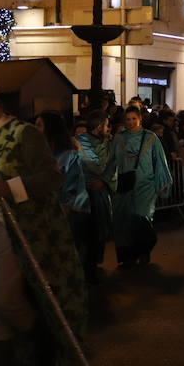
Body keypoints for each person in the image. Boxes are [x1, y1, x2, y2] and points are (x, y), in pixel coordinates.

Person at [0, 69, 87, 364]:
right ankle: (4, 349)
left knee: (5, 298)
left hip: (18, 229)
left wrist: (9, 187)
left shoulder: (22, 133)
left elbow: (50, 177)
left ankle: (41, 338)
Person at [110, 105, 172, 266]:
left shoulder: (151, 138)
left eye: (134, 119)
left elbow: (159, 161)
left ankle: (144, 251)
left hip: (146, 185)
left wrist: (162, 182)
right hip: (124, 184)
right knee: (124, 219)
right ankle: (127, 257)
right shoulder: (119, 138)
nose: (131, 122)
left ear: (140, 119)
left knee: (141, 217)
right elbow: (111, 162)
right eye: (128, 119)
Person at [37, 112, 93, 284]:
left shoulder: (68, 154)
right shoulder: (43, 152)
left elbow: (72, 182)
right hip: (54, 208)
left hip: (73, 208)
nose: (35, 129)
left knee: (69, 249)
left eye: (39, 125)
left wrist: (65, 204)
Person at [77, 109, 115, 283]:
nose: (109, 128)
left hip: (101, 192)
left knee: (100, 230)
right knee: (87, 232)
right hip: (83, 194)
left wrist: (105, 181)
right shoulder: (81, 142)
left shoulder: (108, 143)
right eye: (106, 125)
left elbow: (114, 166)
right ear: (99, 126)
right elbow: (97, 166)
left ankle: (94, 263)